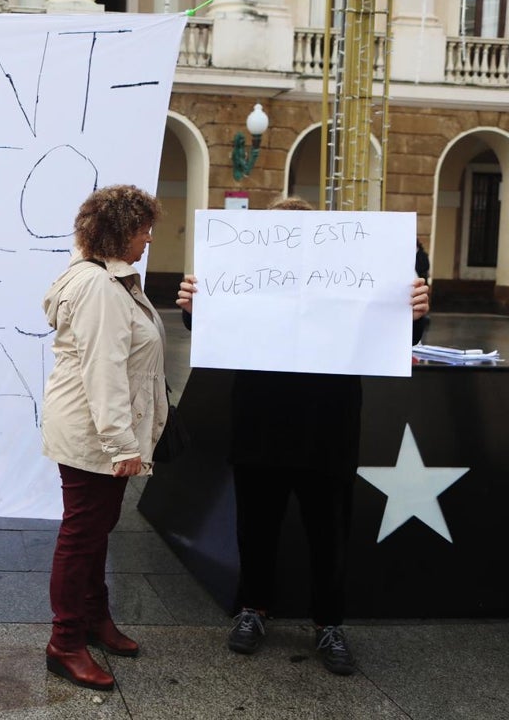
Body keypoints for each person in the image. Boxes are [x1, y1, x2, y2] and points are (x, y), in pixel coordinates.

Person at [176, 196, 430, 676]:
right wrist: (194, 307)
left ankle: (329, 623)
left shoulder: (341, 282)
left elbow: (396, 336)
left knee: (329, 533)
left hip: (327, 429)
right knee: (256, 528)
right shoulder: (250, 280)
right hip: (259, 425)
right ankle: (253, 609)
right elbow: (212, 328)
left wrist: (415, 314)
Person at [40, 184, 167, 691]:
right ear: (118, 232)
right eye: (142, 230)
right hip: (95, 435)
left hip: (93, 430)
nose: (149, 239)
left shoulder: (109, 281)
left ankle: (94, 619)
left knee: (94, 530)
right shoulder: (98, 287)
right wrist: (122, 446)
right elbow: (104, 373)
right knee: (81, 535)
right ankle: (64, 643)